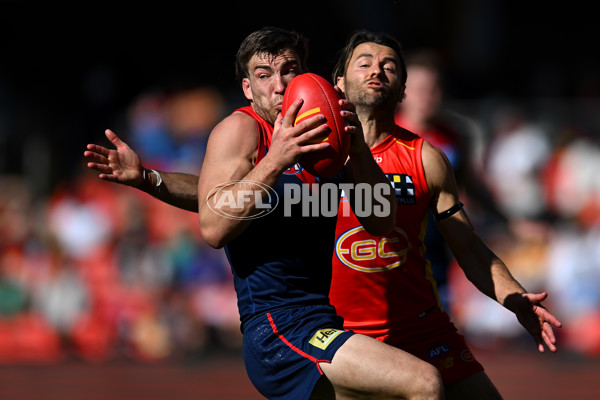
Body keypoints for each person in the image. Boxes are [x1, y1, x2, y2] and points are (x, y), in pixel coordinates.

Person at [86, 27, 444, 400]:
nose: (278, 85)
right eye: (264, 75)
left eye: (289, 70)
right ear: (247, 88)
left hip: (322, 318)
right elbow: (213, 225)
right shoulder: (241, 130)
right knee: (423, 383)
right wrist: (277, 158)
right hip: (278, 328)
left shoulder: (326, 133)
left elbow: (382, 221)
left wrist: (357, 149)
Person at [327, 30, 562, 399]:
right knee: (422, 389)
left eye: (389, 66)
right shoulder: (310, 154)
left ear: (401, 89)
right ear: (338, 82)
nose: (377, 70)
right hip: (338, 333)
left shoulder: (427, 158)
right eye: (365, 63)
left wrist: (514, 296)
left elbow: (468, 248)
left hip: (421, 328)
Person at [394, 50, 508, 312]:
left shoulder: (455, 136)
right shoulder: (383, 134)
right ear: (403, 92)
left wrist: (510, 223)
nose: (427, 96)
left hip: (437, 252)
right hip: (393, 250)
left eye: (434, 88)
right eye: (420, 88)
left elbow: (470, 186)